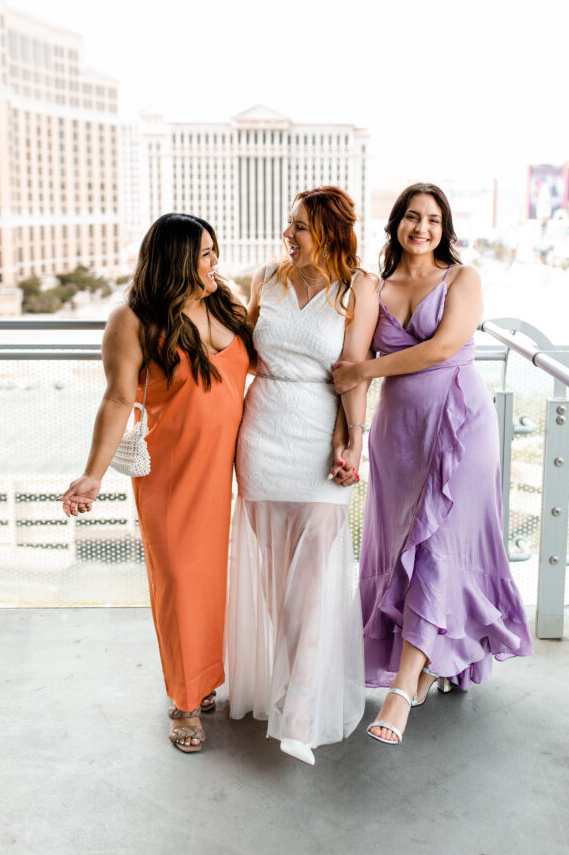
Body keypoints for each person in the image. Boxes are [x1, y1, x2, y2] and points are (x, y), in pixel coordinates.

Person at [332, 183, 532, 745]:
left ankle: (399, 691)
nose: (422, 228)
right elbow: (350, 357)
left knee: (438, 545)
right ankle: (419, 669)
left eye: (434, 220)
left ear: (445, 230)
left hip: (460, 426)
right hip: (397, 436)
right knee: (402, 549)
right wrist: (350, 434)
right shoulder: (374, 285)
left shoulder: (462, 279)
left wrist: (366, 372)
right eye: (412, 217)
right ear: (396, 223)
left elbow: (444, 347)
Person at [60, 213, 253, 754]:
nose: (215, 262)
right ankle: (185, 701)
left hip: (234, 471)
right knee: (180, 586)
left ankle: (203, 676)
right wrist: (92, 475)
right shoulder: (134, 320)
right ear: (175, 259)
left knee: (217, 583)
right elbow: (119, 399)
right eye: (205, 254)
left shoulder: (226, 305)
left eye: (216, 251)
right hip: (173, 476)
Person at [227, 186, 379, 766]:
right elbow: (240, 351)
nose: (288, 235)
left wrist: (352, 441)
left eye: (300, 227)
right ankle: (285, 691)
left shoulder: (357, 288)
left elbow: (355, 372)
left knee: (313, 585)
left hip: (319, 436)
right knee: (274, 585)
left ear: (331, 231)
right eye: (289, 225)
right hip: (262, 434)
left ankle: (302, 711)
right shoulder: (265, 278)